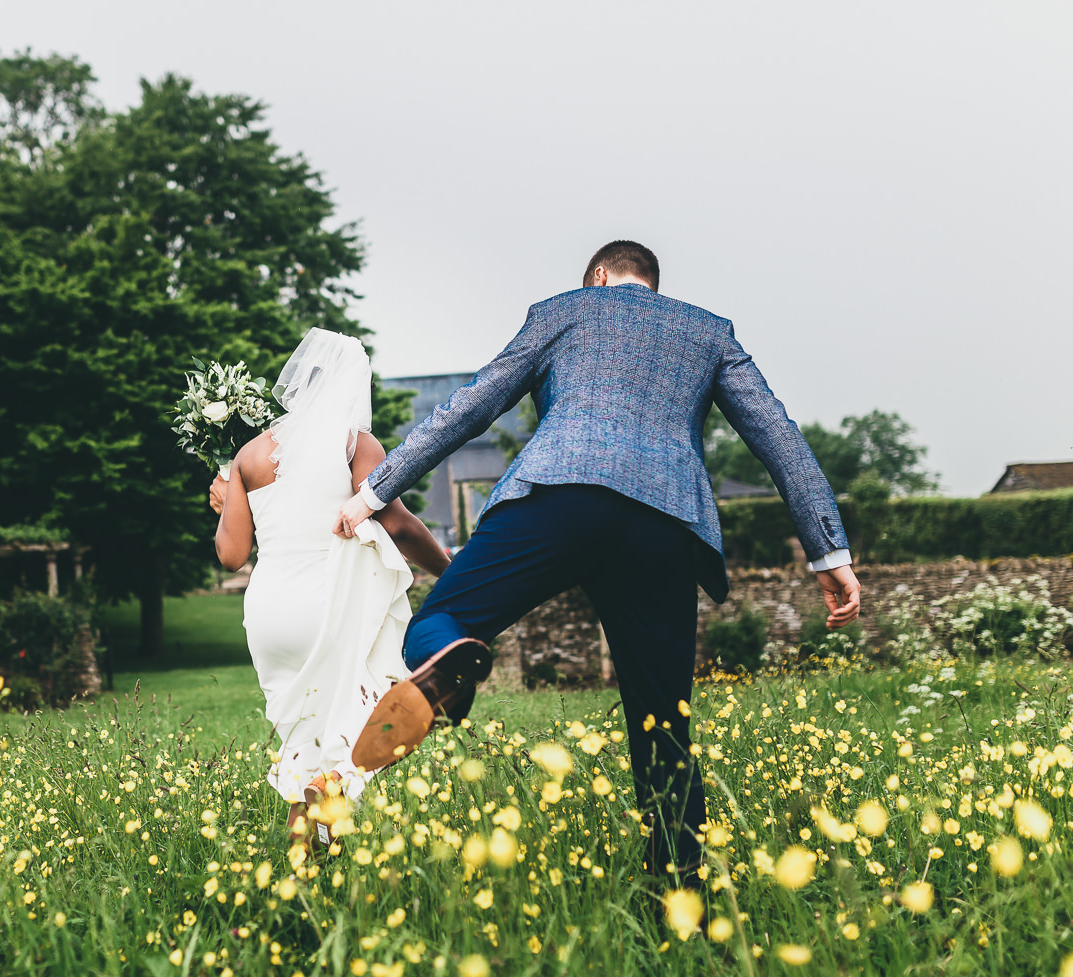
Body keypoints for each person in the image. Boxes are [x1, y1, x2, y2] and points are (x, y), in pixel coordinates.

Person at [334, 241, 862, 883]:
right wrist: (827, 550)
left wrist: (374, 491)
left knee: (441, 618)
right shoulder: (708, 332)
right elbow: (780, 436)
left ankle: (451, 666)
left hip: (559, 495)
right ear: (654, 286)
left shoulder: (567, 310)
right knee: (662, 717)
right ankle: (680, 893)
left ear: (599, 276)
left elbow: (472, 405)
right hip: (664, 523)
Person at [210, 328, 450, 852]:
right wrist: (450, 569)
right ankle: (337, 785)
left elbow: (230, 556)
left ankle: (307, 861)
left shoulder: (247, 456)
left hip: (271, 611)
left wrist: (227, 497)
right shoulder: (354, 443)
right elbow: (399, 524)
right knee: (379, 707)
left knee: (301, 736)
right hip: (332, 599)